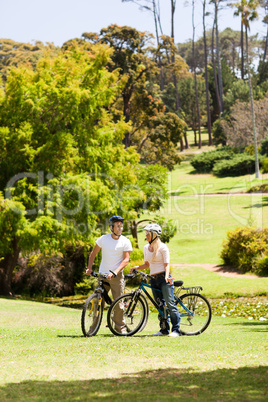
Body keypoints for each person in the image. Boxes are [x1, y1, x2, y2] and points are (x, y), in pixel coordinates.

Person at [130, 223, 181, 337]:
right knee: (160, 305)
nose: (146, 235)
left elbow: (167, 265)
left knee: (169, 303)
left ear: (154, 234)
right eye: (146, 233)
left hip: (164, 278)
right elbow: (147, 264)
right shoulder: (145, 248)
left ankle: (176, 330)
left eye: (148, 233)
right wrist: (136, 267)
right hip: (153, 279)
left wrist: (167, 276)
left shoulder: (163, 247)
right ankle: (164, 329)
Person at [86, 215, 132, 332]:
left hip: (116, 277)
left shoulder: (125, 241)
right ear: (111, 227)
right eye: (117, 226)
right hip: (103, 275)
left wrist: (115, 272)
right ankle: (93, 327)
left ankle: (120, 328)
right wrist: (89, 268)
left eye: (121, 226)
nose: (120, 228)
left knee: (118, 303)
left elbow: (126, 260)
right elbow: (93, 254)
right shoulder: (103, 239)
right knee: (97, 302)